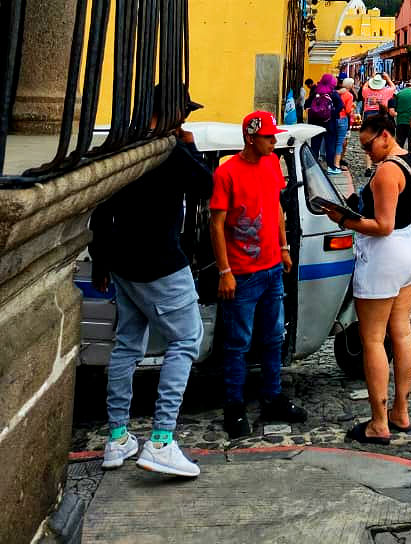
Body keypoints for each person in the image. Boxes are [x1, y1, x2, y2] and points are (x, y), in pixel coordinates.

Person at [91, 85, 211, 478]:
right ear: (174, 113)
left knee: (127, 345)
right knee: (185, 339)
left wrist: (102, 260)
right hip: (161, 264)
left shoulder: (124, 147)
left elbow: (102, 205)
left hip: (123, 264)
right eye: (184, 114)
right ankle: (161, 440)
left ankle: (118, 436)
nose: (186, 120)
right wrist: (189, 147)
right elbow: (206, 187)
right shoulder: (168, 150)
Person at [315, 111, 411, 443]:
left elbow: (382, 226)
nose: (368, 153)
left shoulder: (386, 172)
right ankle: (400, 412)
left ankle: (378, 423)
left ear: (385, 135)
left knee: (373, 340)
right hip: (410, 248)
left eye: (369, 145)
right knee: (402, 333)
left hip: (384, 253)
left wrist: (343, 220)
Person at [209, 111, 307, 439]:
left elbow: (277, 209)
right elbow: (217, 224)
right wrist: (225, 271)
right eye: (268, 136)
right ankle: (234, 406)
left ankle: (272, 397)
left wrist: (283, 248)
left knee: (273, 337)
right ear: (251, 138)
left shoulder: (270, 165)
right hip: (243, 273)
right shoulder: (227, 173)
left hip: (271, 269)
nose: (274, 141)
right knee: (237, 343)